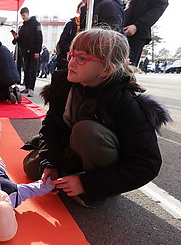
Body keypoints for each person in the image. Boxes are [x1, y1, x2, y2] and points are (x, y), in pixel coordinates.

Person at [23, 28, 171, 208]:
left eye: (82, 58)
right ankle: (71, 173)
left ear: (106, 70)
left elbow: (146, 164)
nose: (72, 62)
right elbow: (51, 127)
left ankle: (97, 190)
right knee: (32, 168)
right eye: (72, 54)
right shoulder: (64, 86)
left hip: (102, 158)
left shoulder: (124, 102)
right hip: (72, 148)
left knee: (86, 131)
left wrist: (86, 183)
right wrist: (50, 163)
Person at [113, 0, 168, 67]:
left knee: (124, 71)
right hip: (114, 33)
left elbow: (160, 4)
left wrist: (137, 26)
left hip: (134, 35)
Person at [11, 7, 43, 98]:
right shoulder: (23, 27)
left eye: (24, 15)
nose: (23, 17)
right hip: (25, 52)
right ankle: (27, 86)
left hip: (33, 52)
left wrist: (37, 51)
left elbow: (39, 37)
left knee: (33, 70)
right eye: (22, 16)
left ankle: (31, 88)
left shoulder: (36, 24)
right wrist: (16, 37)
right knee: (26, 70)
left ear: (28, 14)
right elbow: (21, 41)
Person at [56, 1, 85, 70]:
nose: (84, 10)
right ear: (77, 11)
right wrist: (73, 52)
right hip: (67, 58)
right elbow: (63, 41)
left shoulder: (90, 24)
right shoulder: (71, 24)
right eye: (82, 8)